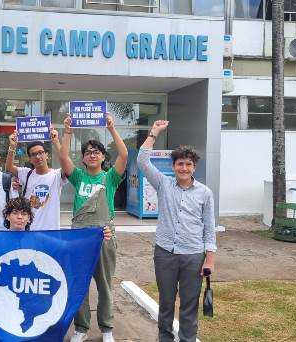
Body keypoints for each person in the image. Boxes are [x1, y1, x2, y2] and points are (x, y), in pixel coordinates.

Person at [137, 120, 216, 342]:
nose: (184, 168)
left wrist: (210, 259)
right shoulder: (163, 184)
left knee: (189, 304)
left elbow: (209, 227)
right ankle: (165, 338)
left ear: (194, 167)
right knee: (166, 302)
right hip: (165, 254)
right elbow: (142, 161)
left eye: (188, 164)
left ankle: (188, 339)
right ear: (173, 166)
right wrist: (154, 133)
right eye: (180, 164)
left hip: (193, 255)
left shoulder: (205, 193)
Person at [58, 114, 128, 342]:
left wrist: (112, 128)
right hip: (79, 236)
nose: (92, 154)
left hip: (104, 235)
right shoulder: (78, 177)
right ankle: (81, 328)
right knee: (80, 284)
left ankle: (107, 329)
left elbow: (125, 155)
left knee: (106, 285)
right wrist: (67, 132)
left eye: (96, 151)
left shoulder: (110, 178)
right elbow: (63, 156)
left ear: (103, 157)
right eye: (88, 152)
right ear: (84, 158)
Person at [5, 128, 67, 230]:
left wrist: (56, 141)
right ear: (30, 159)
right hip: (29, 231)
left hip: (50, 232)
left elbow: (66, 162)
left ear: (47, 155)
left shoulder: (57, 175)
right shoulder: (26, 173)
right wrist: (12, 146)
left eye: (41, 152)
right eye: (33, 154)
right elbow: (9, 167)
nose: (38, 156)